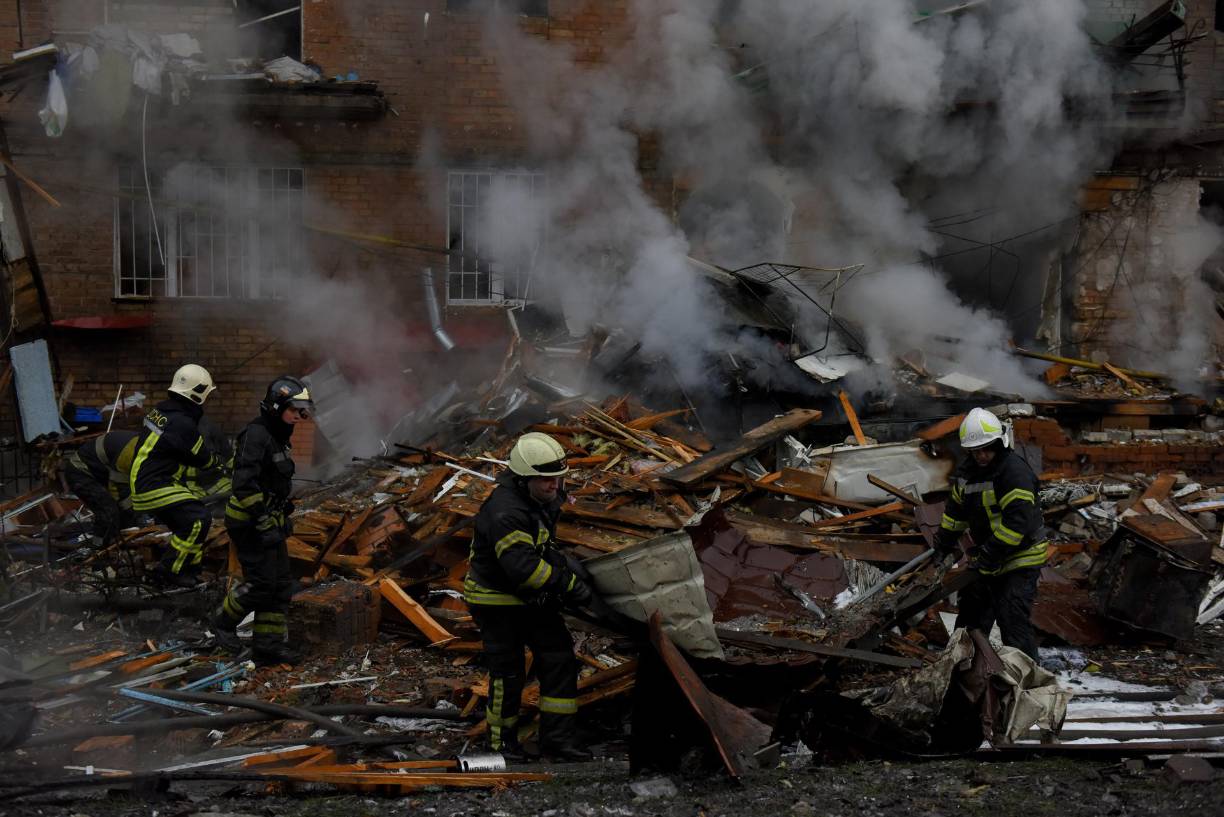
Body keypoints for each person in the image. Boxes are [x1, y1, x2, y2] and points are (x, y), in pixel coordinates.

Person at [464, 431, 598, 762]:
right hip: (495, 599)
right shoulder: (504, 512)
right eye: (547, 480)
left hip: (528, 598)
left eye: (558, 478)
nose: (555, 486)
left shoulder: (542, 498)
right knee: (508, 672)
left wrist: (566, 565)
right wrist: (567, 586)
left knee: (559, 658)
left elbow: (541, 546)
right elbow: (523, 568)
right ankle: (501, 744)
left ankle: (557, 739)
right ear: (524, 479)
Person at [209, 376, 313, 666]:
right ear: (277, 406)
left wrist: (281, 509)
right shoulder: (255, 435)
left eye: (301, 410)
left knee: (280, 585)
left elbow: (271, 480)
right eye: (294, 409)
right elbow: (244, 486)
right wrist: (265, 521)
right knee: (261, 584)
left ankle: (267, 645)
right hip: (249, 523)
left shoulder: (278, 434)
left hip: (268, 521)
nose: (298, 416)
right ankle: (221, 621)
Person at [937, 407, 1049, 662]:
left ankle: (1026, 685)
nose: (982, 456)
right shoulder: (967, 475)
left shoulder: (1014, 472)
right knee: (970, 620)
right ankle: (961, 674)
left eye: (987, 449)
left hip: (1021, 556)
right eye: (975, 451)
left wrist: (989, 555)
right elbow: (955, 515)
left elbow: (1017, 525)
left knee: (1012, 617)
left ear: (999, 443)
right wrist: (941, 545)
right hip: (990, 557)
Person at [129, 364, 223, 587]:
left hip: (146, 481)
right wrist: (218, 463)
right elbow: (202, 458)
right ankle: (170, 571)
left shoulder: (162, 412)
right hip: (153, 485)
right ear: (197, 393)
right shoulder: (183, 424)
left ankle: (191, 569)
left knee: (189, 523)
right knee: (199, 519)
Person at [62, 431, 139, 545]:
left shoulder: (143, 447)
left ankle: (118, 542)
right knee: (109, 513)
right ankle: (99, 547)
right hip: (81, 472)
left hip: (99, 471)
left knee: (122, 513)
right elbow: (117, 489)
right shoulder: (129, 454)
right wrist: (133, 513)